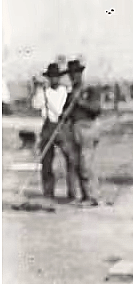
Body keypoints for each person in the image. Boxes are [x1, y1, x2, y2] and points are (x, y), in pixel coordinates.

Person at [31, 62, 76, 200]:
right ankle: (48, 192)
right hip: (48, 127)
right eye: (51, 77)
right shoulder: (43, 91)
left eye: (56, 76)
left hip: (62, 127)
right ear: (48, 78)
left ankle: (72, 192)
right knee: (46, 161)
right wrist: (38, 89)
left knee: (71, 159)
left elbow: (70, 109)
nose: (54, 79)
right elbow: (35, 105)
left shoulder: (66, 91)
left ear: (60, 77)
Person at [65, 58, 102, 206]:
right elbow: (66, 113)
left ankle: (93, 197)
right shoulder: (71, 92)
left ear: (81, 73)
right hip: (74, 129)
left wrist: (79, 102)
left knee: (86, 164)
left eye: (76, 73)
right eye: (71, 74)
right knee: (77, 163)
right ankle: (84, 196)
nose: (74, 76)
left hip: (88, 129)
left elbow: (96, 110)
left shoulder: (90, 90)